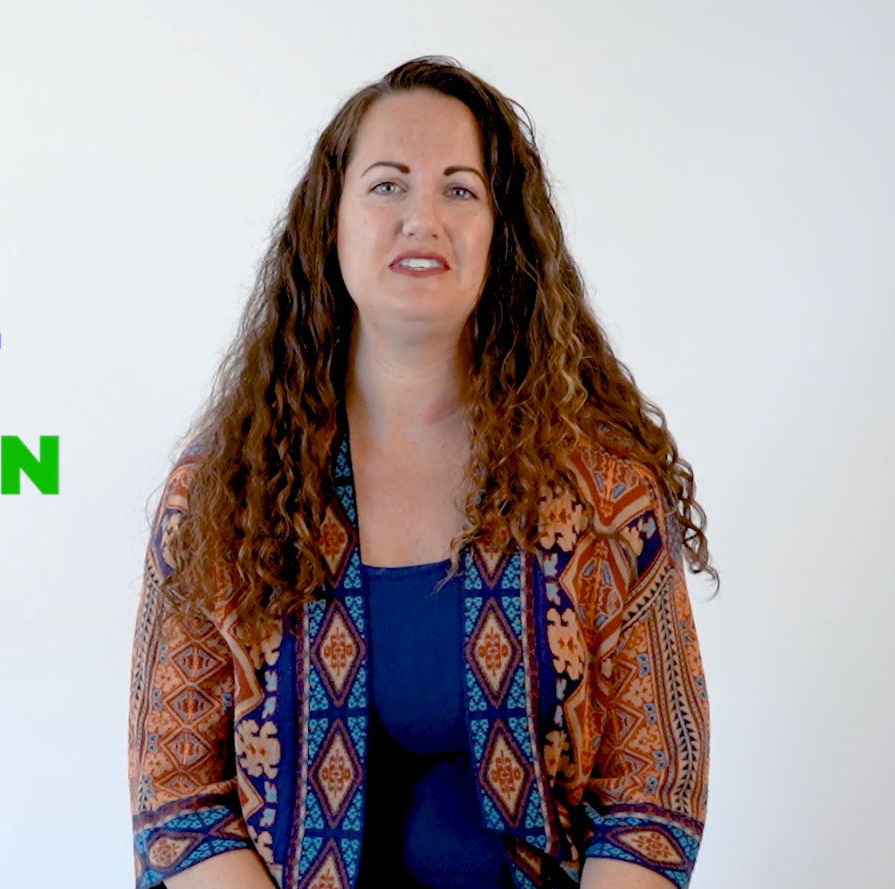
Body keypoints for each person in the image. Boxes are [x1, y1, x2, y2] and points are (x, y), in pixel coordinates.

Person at [127, 57, 711, 889]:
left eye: (460, 190)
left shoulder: (606, 494)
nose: (422, 217)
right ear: (330, 223)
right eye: (389, 185)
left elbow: (651, 797)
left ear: (500, 235)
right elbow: (178, 798)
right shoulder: (222, 496)